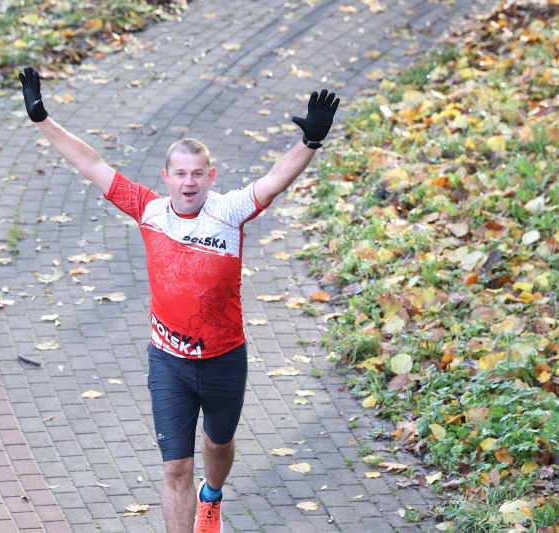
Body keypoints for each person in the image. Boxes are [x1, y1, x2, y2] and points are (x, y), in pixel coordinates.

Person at [19, 66, 339, 533]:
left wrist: (310, 142)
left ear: (211, 177)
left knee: (218, 445)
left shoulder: (229, 211)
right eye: (181, 174)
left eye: (197, 174)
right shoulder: (148, 209)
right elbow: (92, 164)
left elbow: (274, 180)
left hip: (224, 358)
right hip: (168, 361)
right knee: (174, 468)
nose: (189, 182)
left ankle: (212, 498)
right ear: (166, 177)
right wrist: (42, 119)